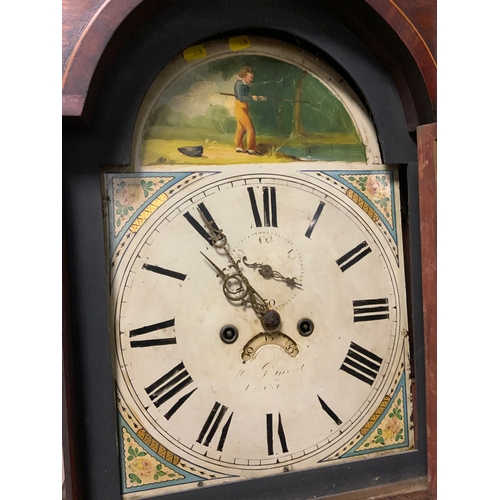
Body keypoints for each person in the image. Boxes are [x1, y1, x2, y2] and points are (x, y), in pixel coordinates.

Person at [233, 66, 266, 155]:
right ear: (245, 75)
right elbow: (241, 98)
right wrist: (252, 97)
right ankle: (251, 149)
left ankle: (238, 147)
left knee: (241, 128)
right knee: (250, 129)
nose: (251, 79)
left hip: (244, 106)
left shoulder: (244, 84)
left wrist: (258, 98)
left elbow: (247, 98)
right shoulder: (239, 84)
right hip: (239, 107)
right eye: (250, 77)